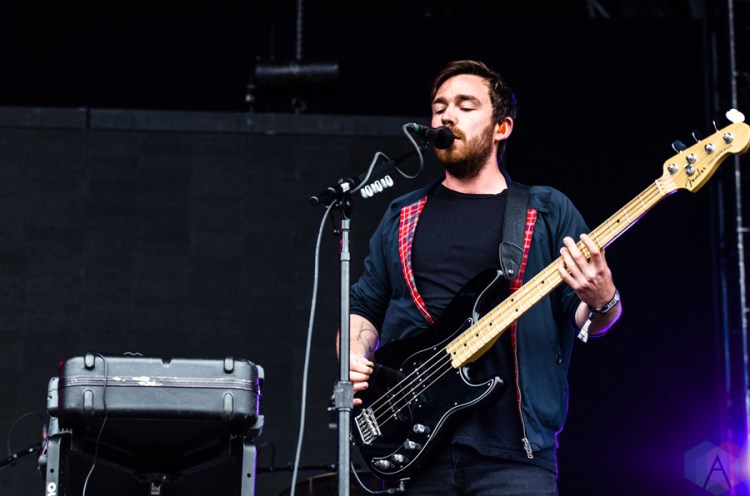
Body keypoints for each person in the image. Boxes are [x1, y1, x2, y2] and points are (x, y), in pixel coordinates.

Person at [343, 60, 622, 495]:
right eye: (439, 108)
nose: (447, 116)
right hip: (413, 450)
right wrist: (354, 354)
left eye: (465, 105)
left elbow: (587, 318)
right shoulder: (402, 215)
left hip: (514, 457)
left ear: (502, 128)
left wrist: (605, 300)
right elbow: (364, 306)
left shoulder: (546, 211)